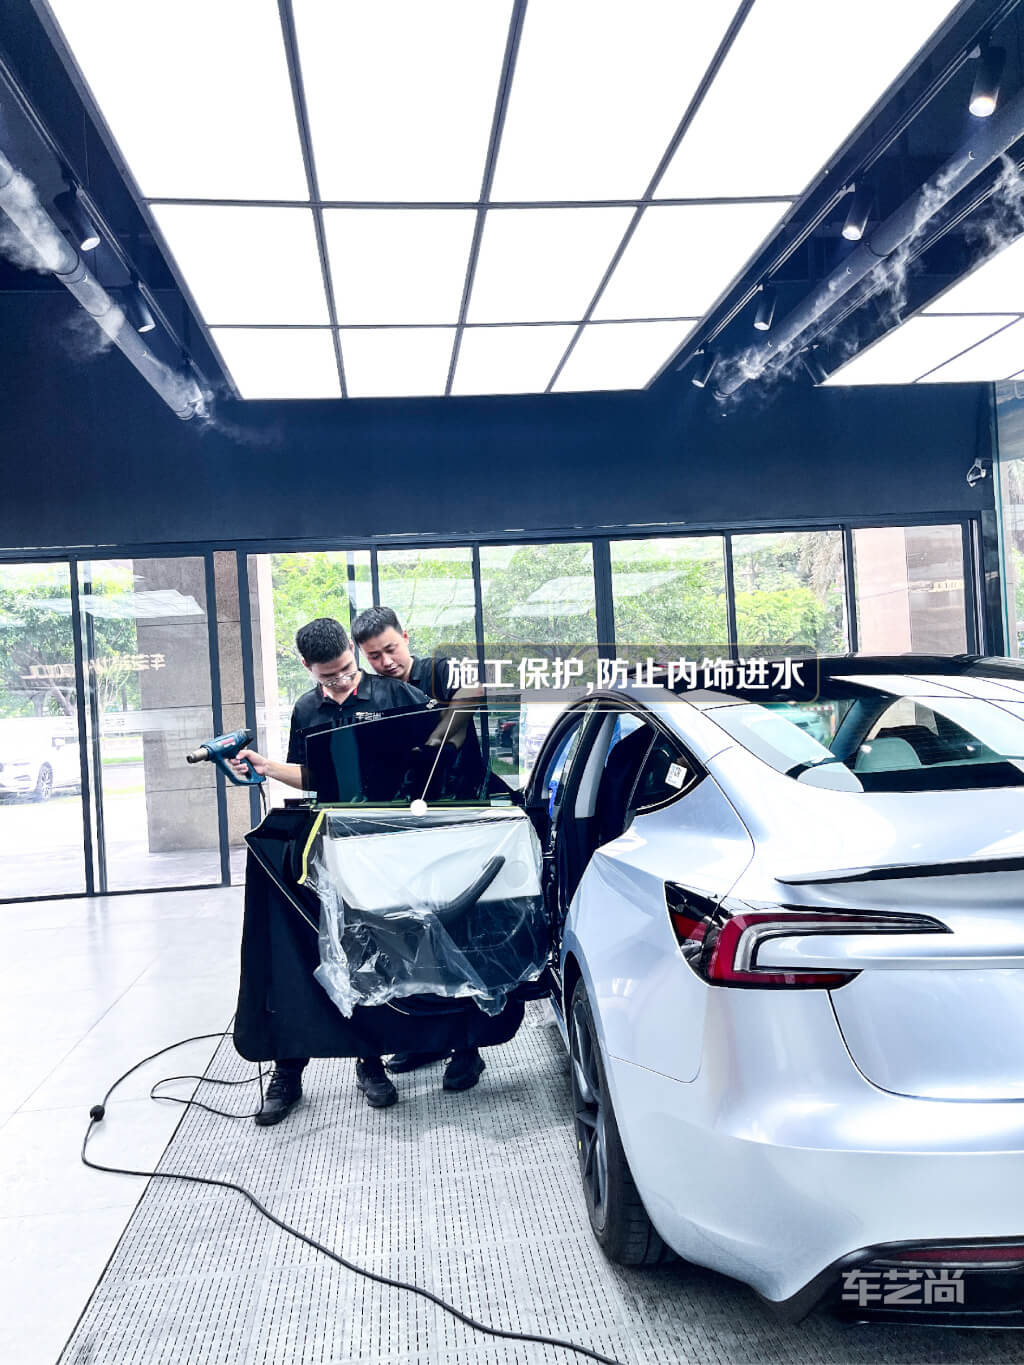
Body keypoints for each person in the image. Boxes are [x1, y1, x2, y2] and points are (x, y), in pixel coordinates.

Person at [234, 616, 433, 1124]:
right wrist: (265, 767)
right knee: (308, 949)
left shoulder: (395, 696)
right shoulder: (306, 709)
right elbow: (310, 775)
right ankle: (288, 1069)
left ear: (352, 651)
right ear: (307, 667)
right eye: (328, 677)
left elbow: (439, 752)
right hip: (333, 843)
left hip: (389, 846)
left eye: (346, 669)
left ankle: (371, 1061)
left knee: (373, 954)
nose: (341, 682)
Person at [351, 605, 489, 1091]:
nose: (385, 661)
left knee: (460, 934)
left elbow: (474, 689)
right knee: (411, 938)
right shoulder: (374, 694)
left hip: (459, 821)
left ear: (405, 637)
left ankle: (467, 1050)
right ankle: (425, 1039)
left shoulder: (440, 669)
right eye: (374, 656)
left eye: (390, 649)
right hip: (405, 829)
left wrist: (438, 736)